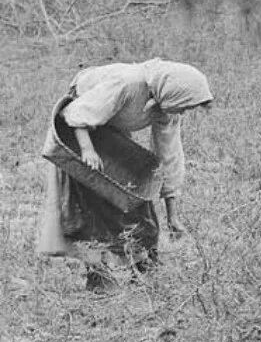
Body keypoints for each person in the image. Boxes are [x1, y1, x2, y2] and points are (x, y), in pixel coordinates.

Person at [36, 58, 213, 288]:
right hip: (80, 128)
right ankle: (97, 275)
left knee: (139, 188)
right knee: (93, 200)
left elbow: (168, 158)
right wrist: (88, 151)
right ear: (174, 94)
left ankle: (144, 266)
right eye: (186, 106)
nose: (184, 111)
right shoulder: (127, 84)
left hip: (109, 129)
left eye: (188, 107)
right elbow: (75, 113)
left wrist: (173, 216)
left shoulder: (167, 106)